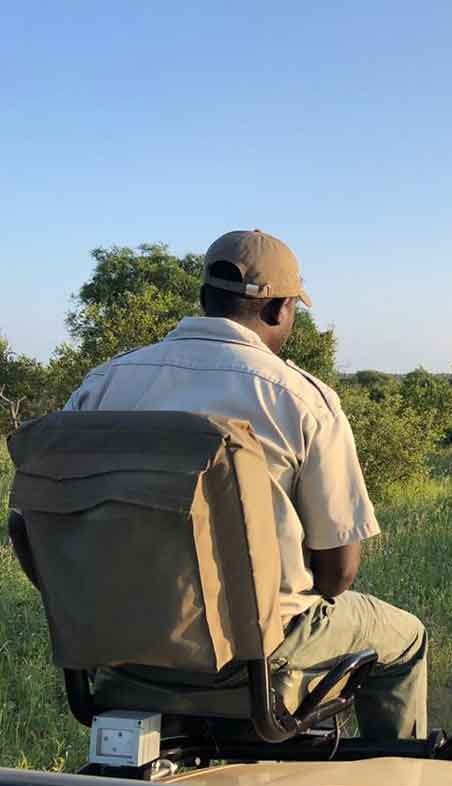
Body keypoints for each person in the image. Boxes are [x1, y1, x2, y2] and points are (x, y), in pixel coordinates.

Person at [65, 229, 427, 740]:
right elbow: (338, 574)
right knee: (407, 640)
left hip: (121, 657)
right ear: (281, 310)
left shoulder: (102, 386)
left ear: (204, 300)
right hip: (260, 658)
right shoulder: (299, 398)